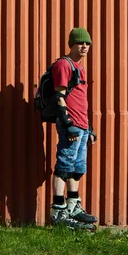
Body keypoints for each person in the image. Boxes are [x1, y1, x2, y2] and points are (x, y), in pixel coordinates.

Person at [50, 27, 97, 230]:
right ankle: (58, 211)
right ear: (72, 44)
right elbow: (59, 97)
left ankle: (73, 206)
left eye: (87, 43)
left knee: (78, 169)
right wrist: (68, 125)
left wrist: (89, 128)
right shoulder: (64, 65)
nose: (84, 46)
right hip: (71, 125)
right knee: (64, 166)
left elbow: (79, 100)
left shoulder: (80, 68)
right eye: (80, 43)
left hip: (82, 126)